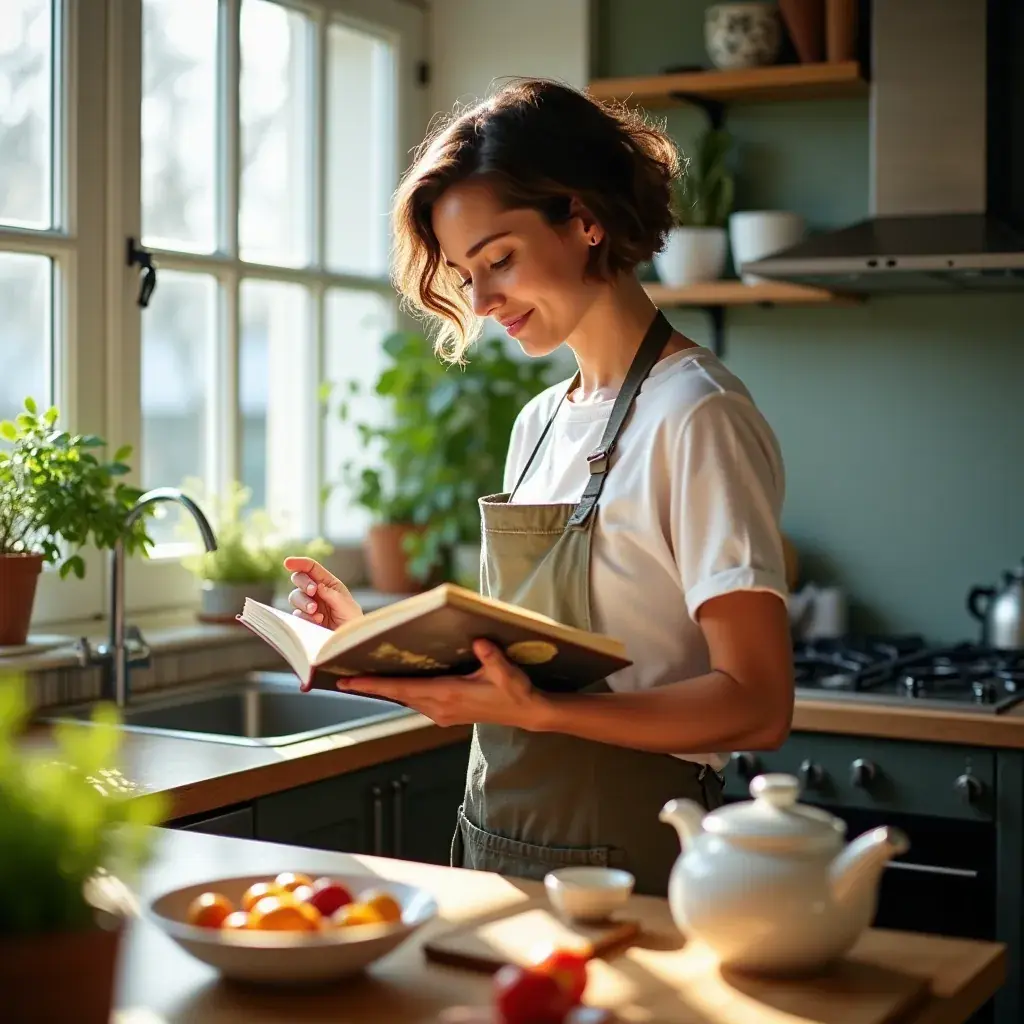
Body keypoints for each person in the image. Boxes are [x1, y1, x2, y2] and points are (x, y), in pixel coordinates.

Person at [283, 78, 794, 896]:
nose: (481, 303)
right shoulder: (541, 422)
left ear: (585, 218)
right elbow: (525, 668)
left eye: (500, 260)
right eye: (464, 273)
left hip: (634, 859)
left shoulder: (697, 416)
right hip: (495, 841)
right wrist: (375, 643)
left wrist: (543, 714)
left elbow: (758, 703)